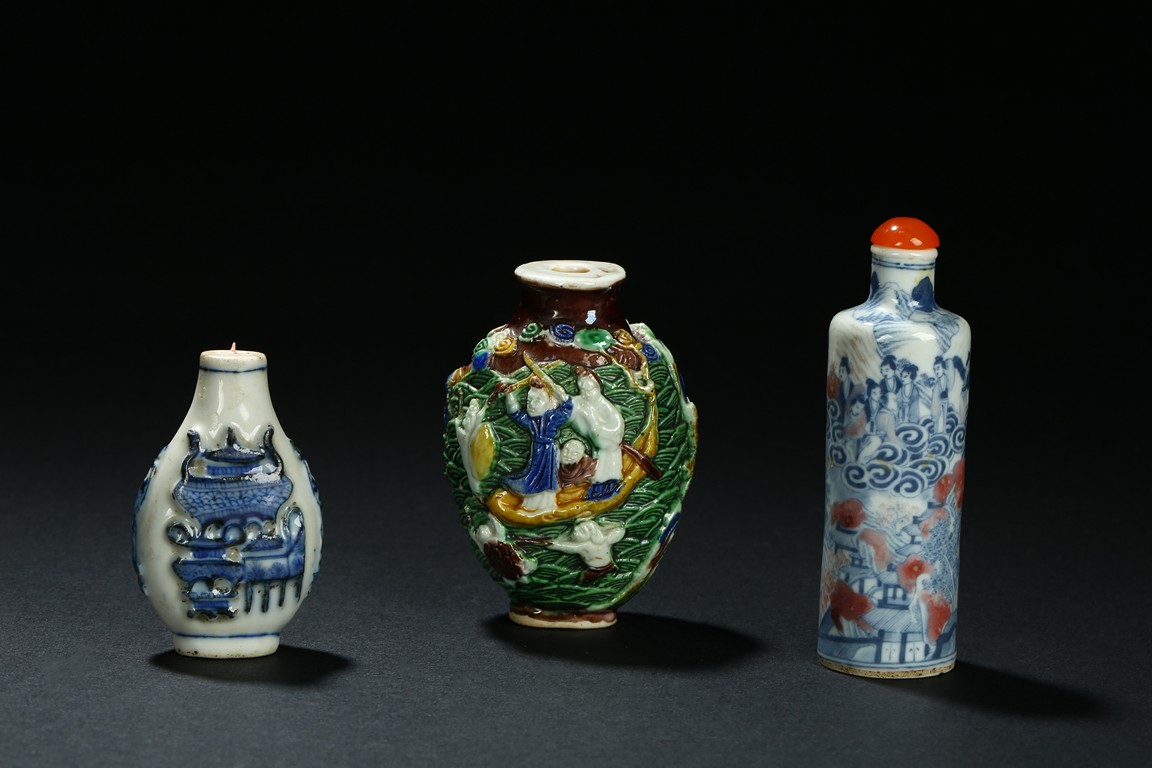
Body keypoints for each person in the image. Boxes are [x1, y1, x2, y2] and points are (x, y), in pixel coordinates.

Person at [503, 375, 573, 511]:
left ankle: (548, 504)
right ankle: (531, 504)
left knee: (549, 478)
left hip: (549, 452)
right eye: (528, 401)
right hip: (537, 451)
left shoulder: (552, 418)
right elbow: (516, 413)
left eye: (538, 401)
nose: (532, 405)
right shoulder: (531, 422)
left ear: (549, 402)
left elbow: (567, 407)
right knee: (533, 477)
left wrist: (557, 391)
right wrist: (509, 396)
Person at [567, 366, 626, 500]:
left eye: (590, 390)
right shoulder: (584, 403)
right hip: (599, 445)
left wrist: (602, 431)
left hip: (610, 444)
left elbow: (617, 424)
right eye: (583, 391)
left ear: (597, 388)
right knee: (599, 470)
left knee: (609, 469)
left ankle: (610, 489)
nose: (587, 394)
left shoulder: (604, 405)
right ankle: (597, 490)